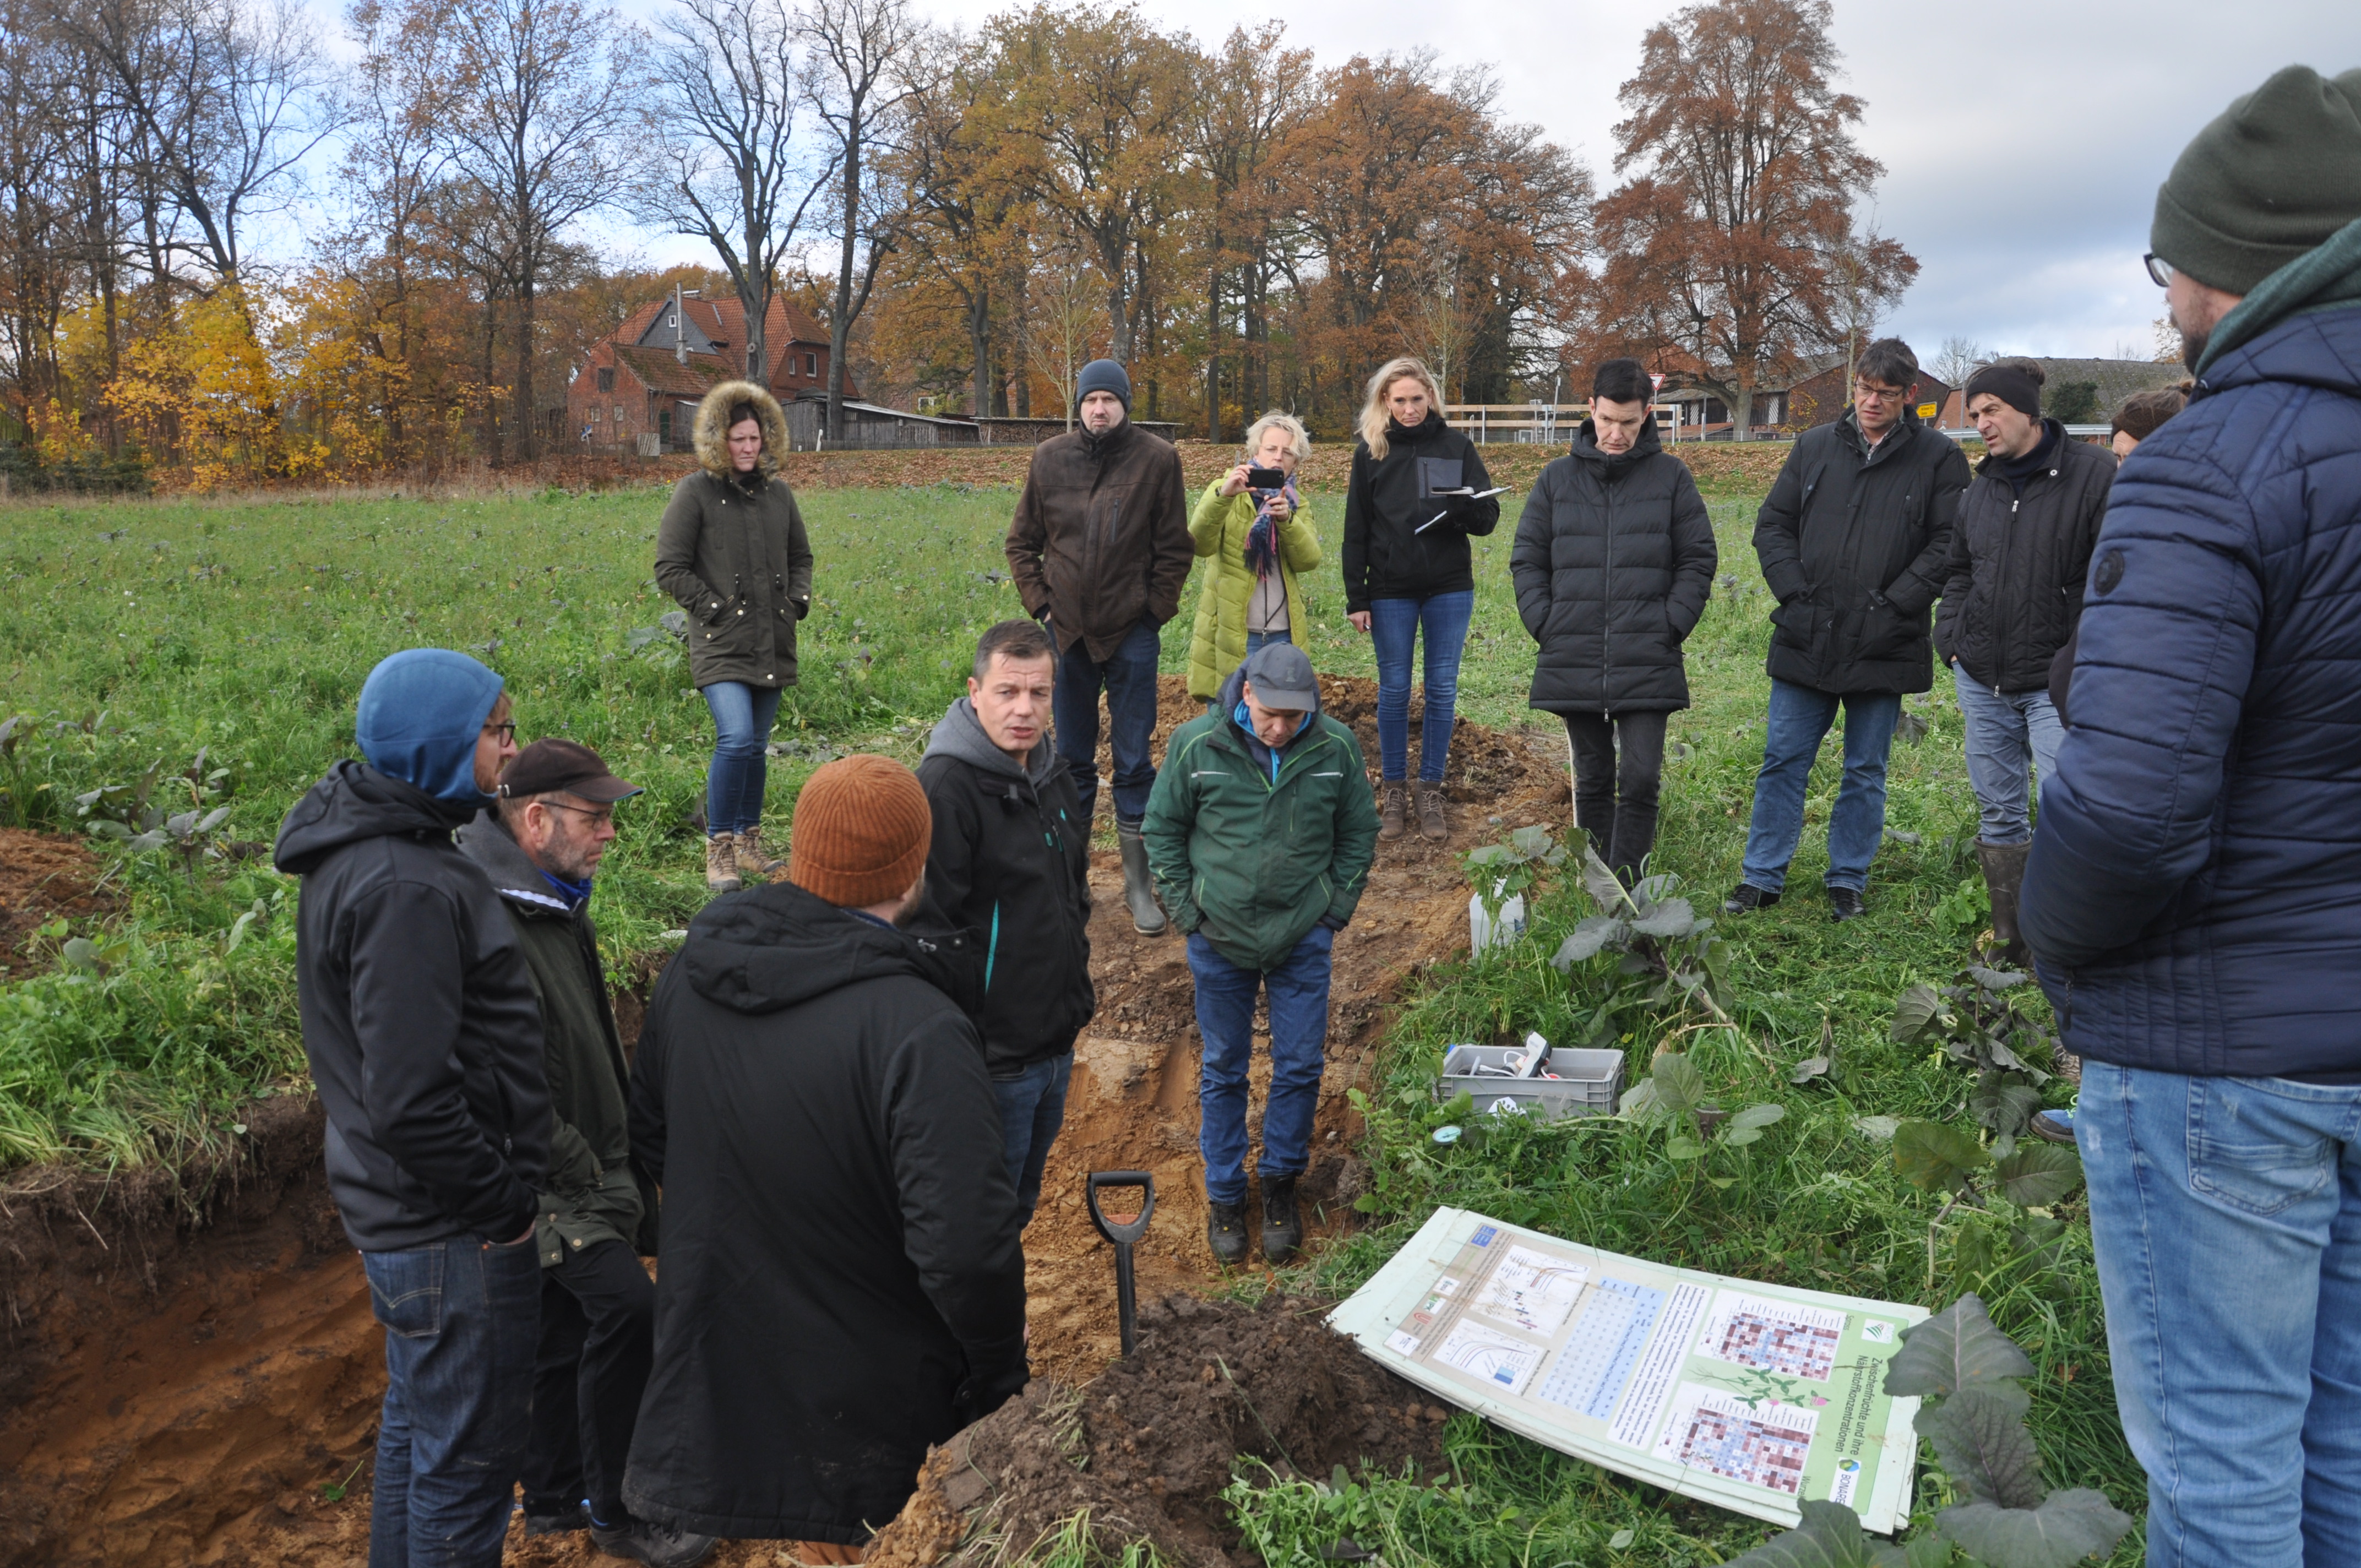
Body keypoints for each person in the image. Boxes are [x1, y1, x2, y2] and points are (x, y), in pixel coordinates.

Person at [2020, 64, 2361, 1567]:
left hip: (2224, 1048)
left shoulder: (2212, 466)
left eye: (2170, 265)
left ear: (2236, 267)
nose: (2164, 301)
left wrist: (2059, 950)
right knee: (2343, 1436)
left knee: (2222, 1461)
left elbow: (2129, 815)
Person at [623, 754, 1027, 1553]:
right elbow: (965, 1250)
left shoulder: (691, 976)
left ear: (799, 854)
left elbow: (651, 1136)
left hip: (721, 1364)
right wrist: (997, 1375)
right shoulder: (918, 1027)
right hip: (868, 1398)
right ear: (913, 869)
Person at [271, 648, 550, 1568]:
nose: (511, 751)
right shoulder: (407, 886)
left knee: (421, 1436)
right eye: (496, 732)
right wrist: (505, 1208)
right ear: (440, 744)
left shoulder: (378, 850)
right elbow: (412, 1099)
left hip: (409, 1218)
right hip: (450, 1232)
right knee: (465, 1474)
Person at [453, 742, 710, 1568]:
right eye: (594, 818)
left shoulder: (554, 903)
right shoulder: (493, 918)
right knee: (627, 1312)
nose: (609, 834)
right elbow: (499, 1080)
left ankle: (557, 1492)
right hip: (550, 1177)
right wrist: (587, 1170)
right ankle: (621, 1510)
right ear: (537, 820)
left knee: (566, 1329)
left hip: (579, 1164)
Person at [1143, 643, 1380, 1266]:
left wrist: (1333, 911)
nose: (1280, 728)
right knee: (1224, 1066)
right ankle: (1225, 1195)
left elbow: (1359, 831)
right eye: (1271, 715)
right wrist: (1190, 915)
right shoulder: (1197, 745)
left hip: (1302, 936)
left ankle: (1279, 1187)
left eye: (1293, 717)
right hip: (1218, 938)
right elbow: (1162, 830)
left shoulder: (1335, 748)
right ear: (1247, 693)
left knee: (1299, 1065)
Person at [1723, 338, 1970, 921]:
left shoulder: (1939, 459)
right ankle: (1761, 877)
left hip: (1886, 638)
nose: (1871, 402)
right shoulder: (1813, 446)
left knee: (1865, 770)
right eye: (1864, 389)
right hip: (1808, 630)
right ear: (1853, 386)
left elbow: (1949, 543)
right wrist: (1796, 594)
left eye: (1886, 393)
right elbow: (1773, 524)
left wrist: (1896, 605)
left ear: (1910, 394)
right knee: (1783, 759)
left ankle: (1846, 881)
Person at [1932, 358, 2113, 966]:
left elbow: (2113, 574)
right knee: (1999, 808)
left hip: (2059, 679)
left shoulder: (2093, 475)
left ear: (2028, 413)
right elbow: (1960, 570)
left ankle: (2067, 942)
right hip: (1983, 675)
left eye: (1992, 410)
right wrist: (1950, 637)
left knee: (2068, 804)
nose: (1980, 423)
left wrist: (2081, 655)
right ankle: (2011, 940)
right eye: (1974, 413)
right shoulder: (1980, 488)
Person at [1004, 358, 1193, 937]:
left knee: (1134, 761)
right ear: (1079, 406)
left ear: (1125, 405)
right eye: (1090, 400)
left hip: (1132, 633)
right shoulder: (1049, 458)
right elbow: (1021, 544)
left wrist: (1152, 615)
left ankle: (1138, 884)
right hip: (1067, 637)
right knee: (1071, 762)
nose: (1099, 409)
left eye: (1109, 399)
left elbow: (1174, 549)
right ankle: (1071, 878)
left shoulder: (1157, 460)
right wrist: (1043, 608)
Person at [1510, 358, 1716, 884]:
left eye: (1628, 422)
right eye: (1606, 420)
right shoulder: (1556, 480)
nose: (1616, 434)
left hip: (1648, 652)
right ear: (1591, 410)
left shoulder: (1672, 478)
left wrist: (1670, 625)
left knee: (1641, 777)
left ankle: (1630, 888)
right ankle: (1600, 888)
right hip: (1572, 650)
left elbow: (1698, 558)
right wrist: (1546, 623)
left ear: (1648, 414)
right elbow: (1527, 558)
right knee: (1594, 776)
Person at [917, 619, 1095, 1227]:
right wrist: (970, 1044)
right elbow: (928, 931)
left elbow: (1073, 895)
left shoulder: (1054, 773)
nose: (1024, 709)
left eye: (1039, 693)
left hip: (1054, 1049)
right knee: (980, 1218)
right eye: (1007, 691)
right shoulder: (945, 789)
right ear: (975, 692)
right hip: (994, 1063)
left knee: (1018, 1207)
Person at [655, 379, 814, 895]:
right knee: (737, 737)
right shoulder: (695, 493)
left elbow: (800, 557)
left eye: (754, 439)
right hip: (721, 642)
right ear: (719, 440)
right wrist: (714, 610)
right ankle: (719, 844)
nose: (747, 448)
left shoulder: (779, 494)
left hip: (773, 638)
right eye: (738, 439)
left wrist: (796, 602)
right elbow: (670, 567)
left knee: (757, 746)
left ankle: (748, 839)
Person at [1341, 356, 1500, 843]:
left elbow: (1488, 518)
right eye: (1400, 400)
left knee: (1442, 689)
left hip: (1449, 588)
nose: (1409, 409)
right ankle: (1394, 790)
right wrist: (1357, 597)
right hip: (1391, 590)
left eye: (1417, 398)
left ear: (1431, 397)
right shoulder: (1371, 453)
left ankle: (1429, 790)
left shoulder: (1456, 446)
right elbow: (1355, 530)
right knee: (1393, 690)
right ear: (1385, 402)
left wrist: (1463, 508)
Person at [2048, 383, 2189, 729]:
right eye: (2119, 458)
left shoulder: (2190, 546)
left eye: (2134, 458)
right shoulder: (2130, 527)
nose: (2121, 473)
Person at [1185, 411, 1320, 703]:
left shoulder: (1296, 503)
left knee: (1279, 713)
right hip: (1234, 633)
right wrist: (1224, 497)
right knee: (1230, 713)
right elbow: (1199, 544)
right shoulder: (1225, 489)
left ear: (1296, 462)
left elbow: (1308, 560)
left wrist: (1287, 521)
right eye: (1271, 449)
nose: (1278, 458)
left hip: (1283, 634)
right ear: (1256, 451)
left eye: (1287, 452)